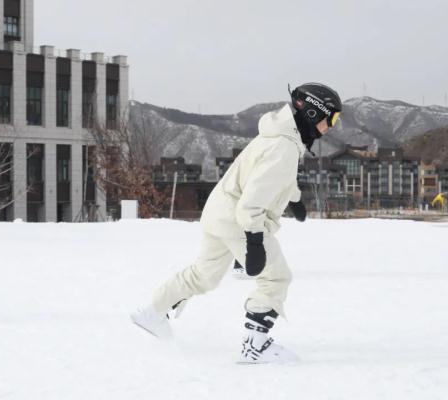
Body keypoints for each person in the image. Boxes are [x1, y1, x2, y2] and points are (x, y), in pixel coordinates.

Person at [131, 83, 342, 363]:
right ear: (315, 113)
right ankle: (256, 346)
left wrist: (294, 198)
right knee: (276, 277)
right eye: (332, 119)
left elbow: (269, 177)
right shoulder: (285, 146)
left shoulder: (280, 136)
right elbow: (252, 201)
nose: (331, 127)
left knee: (204, 275)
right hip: (238, 219)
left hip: (218, 212)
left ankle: (153, 312)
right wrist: (254, 240)